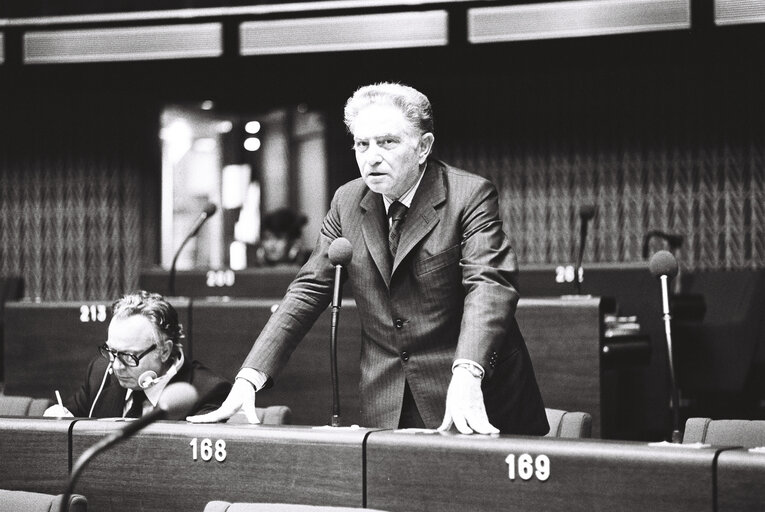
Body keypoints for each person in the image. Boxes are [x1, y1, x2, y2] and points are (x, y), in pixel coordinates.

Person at [188, 82, 549, 435]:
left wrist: (469, 370)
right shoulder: (347, 201)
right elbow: (308, 289)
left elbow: (489, 285)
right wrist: (249, 377)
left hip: (472, 389)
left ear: (423, 146)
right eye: (362, 144)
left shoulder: (469, 195)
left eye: (388, 143)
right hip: (387, 395)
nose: (372, 157)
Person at [44, 291, 231, 418]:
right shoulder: (100, 372)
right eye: (111, 351)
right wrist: (58, 418)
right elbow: (70, 417)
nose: (116, 366)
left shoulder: (209, 392)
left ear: (164, 351)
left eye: (128, 356)